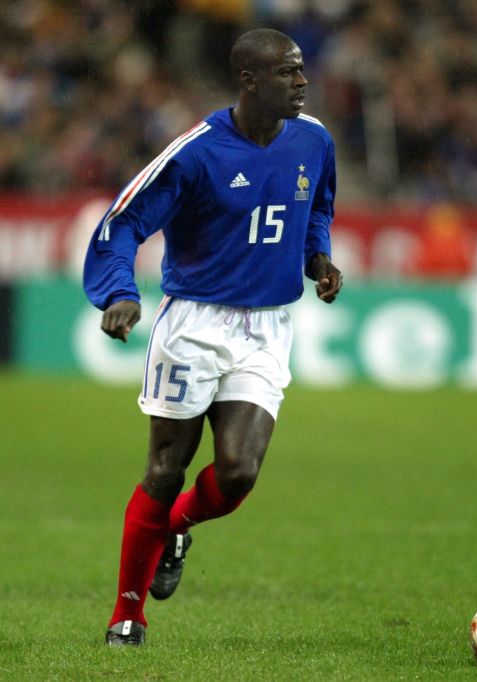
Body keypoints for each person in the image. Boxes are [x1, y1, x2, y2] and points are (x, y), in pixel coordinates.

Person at [83, 27, 343, 647]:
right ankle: (128, 612)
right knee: (165, 468)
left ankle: (178, 527)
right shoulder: (195, 153)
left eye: (302, 70)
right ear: (249, 80)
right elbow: (122, 224)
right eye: (288, 73)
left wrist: (318, 258)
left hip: (268, 326)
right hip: (194, 323)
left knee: (238, 473)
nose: (302, 82)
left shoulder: (314, 141)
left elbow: (319, 206)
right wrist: (119, 292)